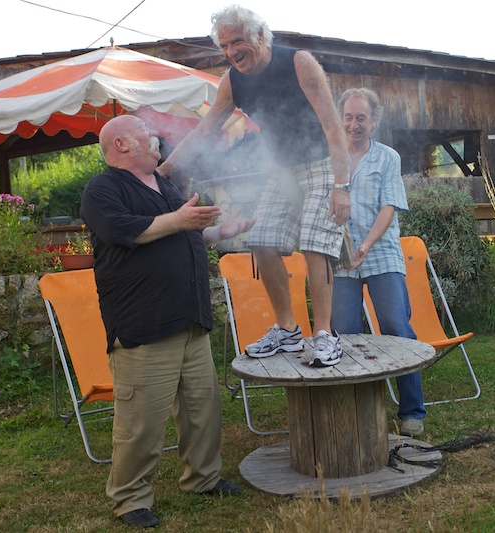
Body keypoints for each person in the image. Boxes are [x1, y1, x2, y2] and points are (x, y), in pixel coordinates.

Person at [80, 115, 254, 528]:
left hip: (189, 318)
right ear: (122, 144)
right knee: (141, 421)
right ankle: (129, 499)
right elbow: (128, 231)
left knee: (202, 410)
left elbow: (184, 235)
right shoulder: (103, 188)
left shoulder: (166, 186)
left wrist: (220, 232)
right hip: (144, 323)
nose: (156, 138)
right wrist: (182, 220)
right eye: (147, 132)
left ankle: (203, 478)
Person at [158, 4, 351, 367]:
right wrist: (163, 171)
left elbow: (332, 125)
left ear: (260, 36)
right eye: (224, 46)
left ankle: (325, 334)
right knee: (260, 239)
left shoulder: (299, 63)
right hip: (282, 168)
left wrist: (342, 185)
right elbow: (204, 131)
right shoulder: (232, 81)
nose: (231, 52)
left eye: (237, 42)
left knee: (314, 243)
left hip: (322, 163)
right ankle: (288, 331)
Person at [330, 88, 427, 438]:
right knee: (342, 331)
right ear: (340, 118)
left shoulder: (388, 157)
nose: (354, 124)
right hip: (341, 258)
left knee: (397, 327)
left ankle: (412, 411)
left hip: (381, 251)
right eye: (349, 117)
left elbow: (389, 206)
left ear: (374, 120)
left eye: (361, 117)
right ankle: (354, 412)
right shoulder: (330, 158)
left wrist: (367, 246)